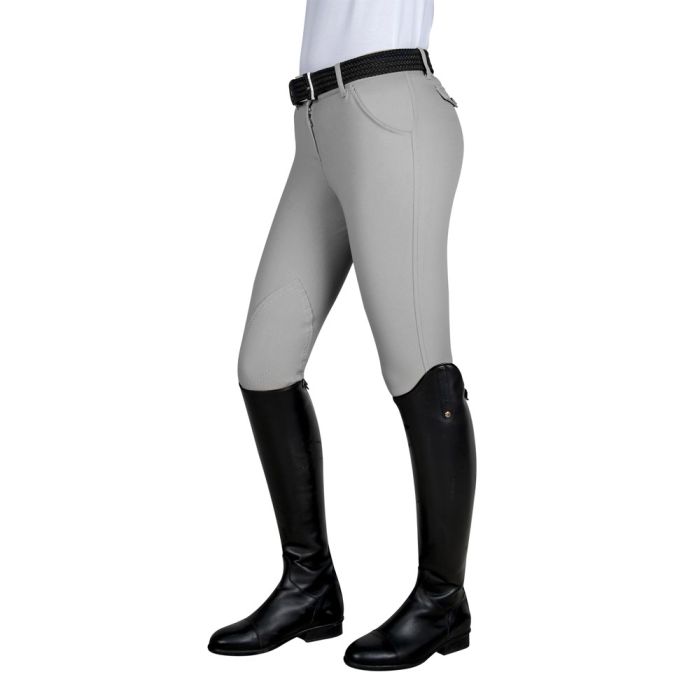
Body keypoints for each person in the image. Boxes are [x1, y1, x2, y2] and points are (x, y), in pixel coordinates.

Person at [208, 0, 477, 671]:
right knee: (264, 363)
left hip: (390, 108)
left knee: (418, 365)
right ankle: (309, 587)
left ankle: (442, 600)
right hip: (314, 127)